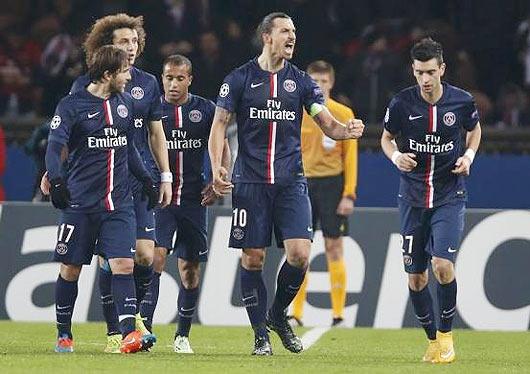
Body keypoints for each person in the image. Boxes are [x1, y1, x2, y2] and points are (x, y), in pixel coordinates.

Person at [209, 12, 364, 356]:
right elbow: (219, 123)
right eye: (285, 31)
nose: (292, 37)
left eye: (294, 31)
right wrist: (219, 164)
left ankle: (278, 315)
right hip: (249, 181)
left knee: (299, 255)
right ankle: (260, 335)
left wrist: (345, 131)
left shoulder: (303, 82)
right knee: (253, 259)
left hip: (291, 182)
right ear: (267, 36)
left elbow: (327, 124)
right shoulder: (239, 79)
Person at [64, 14, 171, 353]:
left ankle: (134, 320)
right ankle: (119, 331)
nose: (131, 48)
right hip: (102, 183)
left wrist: (164, 175)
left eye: (135, 42)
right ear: (106, 47)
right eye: (124, 42)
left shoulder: (148, 83)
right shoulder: (84, 85)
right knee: (111, 260)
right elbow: (68, 132)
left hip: (139, 181)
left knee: (145, 256)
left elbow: (156, 132)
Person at [46, 45, 158, 354]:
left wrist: (148, 179)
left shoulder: (124, 104)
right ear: (108, 74)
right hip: (81, 204)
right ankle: (64, 333)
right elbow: (55, 147)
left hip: (118, 204)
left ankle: (127, 335)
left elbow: (129, 148)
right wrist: (56, 180)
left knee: (124, 264)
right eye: (123, 71)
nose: (129, 75)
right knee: (71, 269)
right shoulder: (72, 105)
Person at [380, 38, 481, 364]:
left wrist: (468, 155)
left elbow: (475, 129)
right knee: (416, 277)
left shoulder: (462, 102)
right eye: (419, 72)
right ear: (413, 70)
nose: (424, 79)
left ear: (442, 70)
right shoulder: (401, 104)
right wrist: (395, 157)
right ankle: (433, 340)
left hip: (449, 196)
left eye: (430, 72)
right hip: (412, 197)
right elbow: (385, 138)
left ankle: (448, 338)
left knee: (442, 265)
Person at [139, 54, 230, 353]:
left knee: (190, 270)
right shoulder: (153, 109)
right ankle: (146, 332)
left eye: (180, 78)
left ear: (190, 79)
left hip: (193, 199)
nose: (173, 84)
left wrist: (218, 182)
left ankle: (182, 335)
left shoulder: (204, 110)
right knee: (156, 259)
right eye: (168, 77)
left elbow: (221, 146)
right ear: (162, 78)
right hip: (160, 198)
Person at [289, 60, 358, 327]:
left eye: (324, 81)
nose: (319, 86)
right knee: (300, 249)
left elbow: (351, 157)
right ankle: (296, 312)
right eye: (314, 81)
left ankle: (338, 314)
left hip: (332, 185)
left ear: (332, 82)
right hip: (301, 184)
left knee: (334, 246)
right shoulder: (297, 111)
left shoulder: (343, 112)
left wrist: (348, 194)